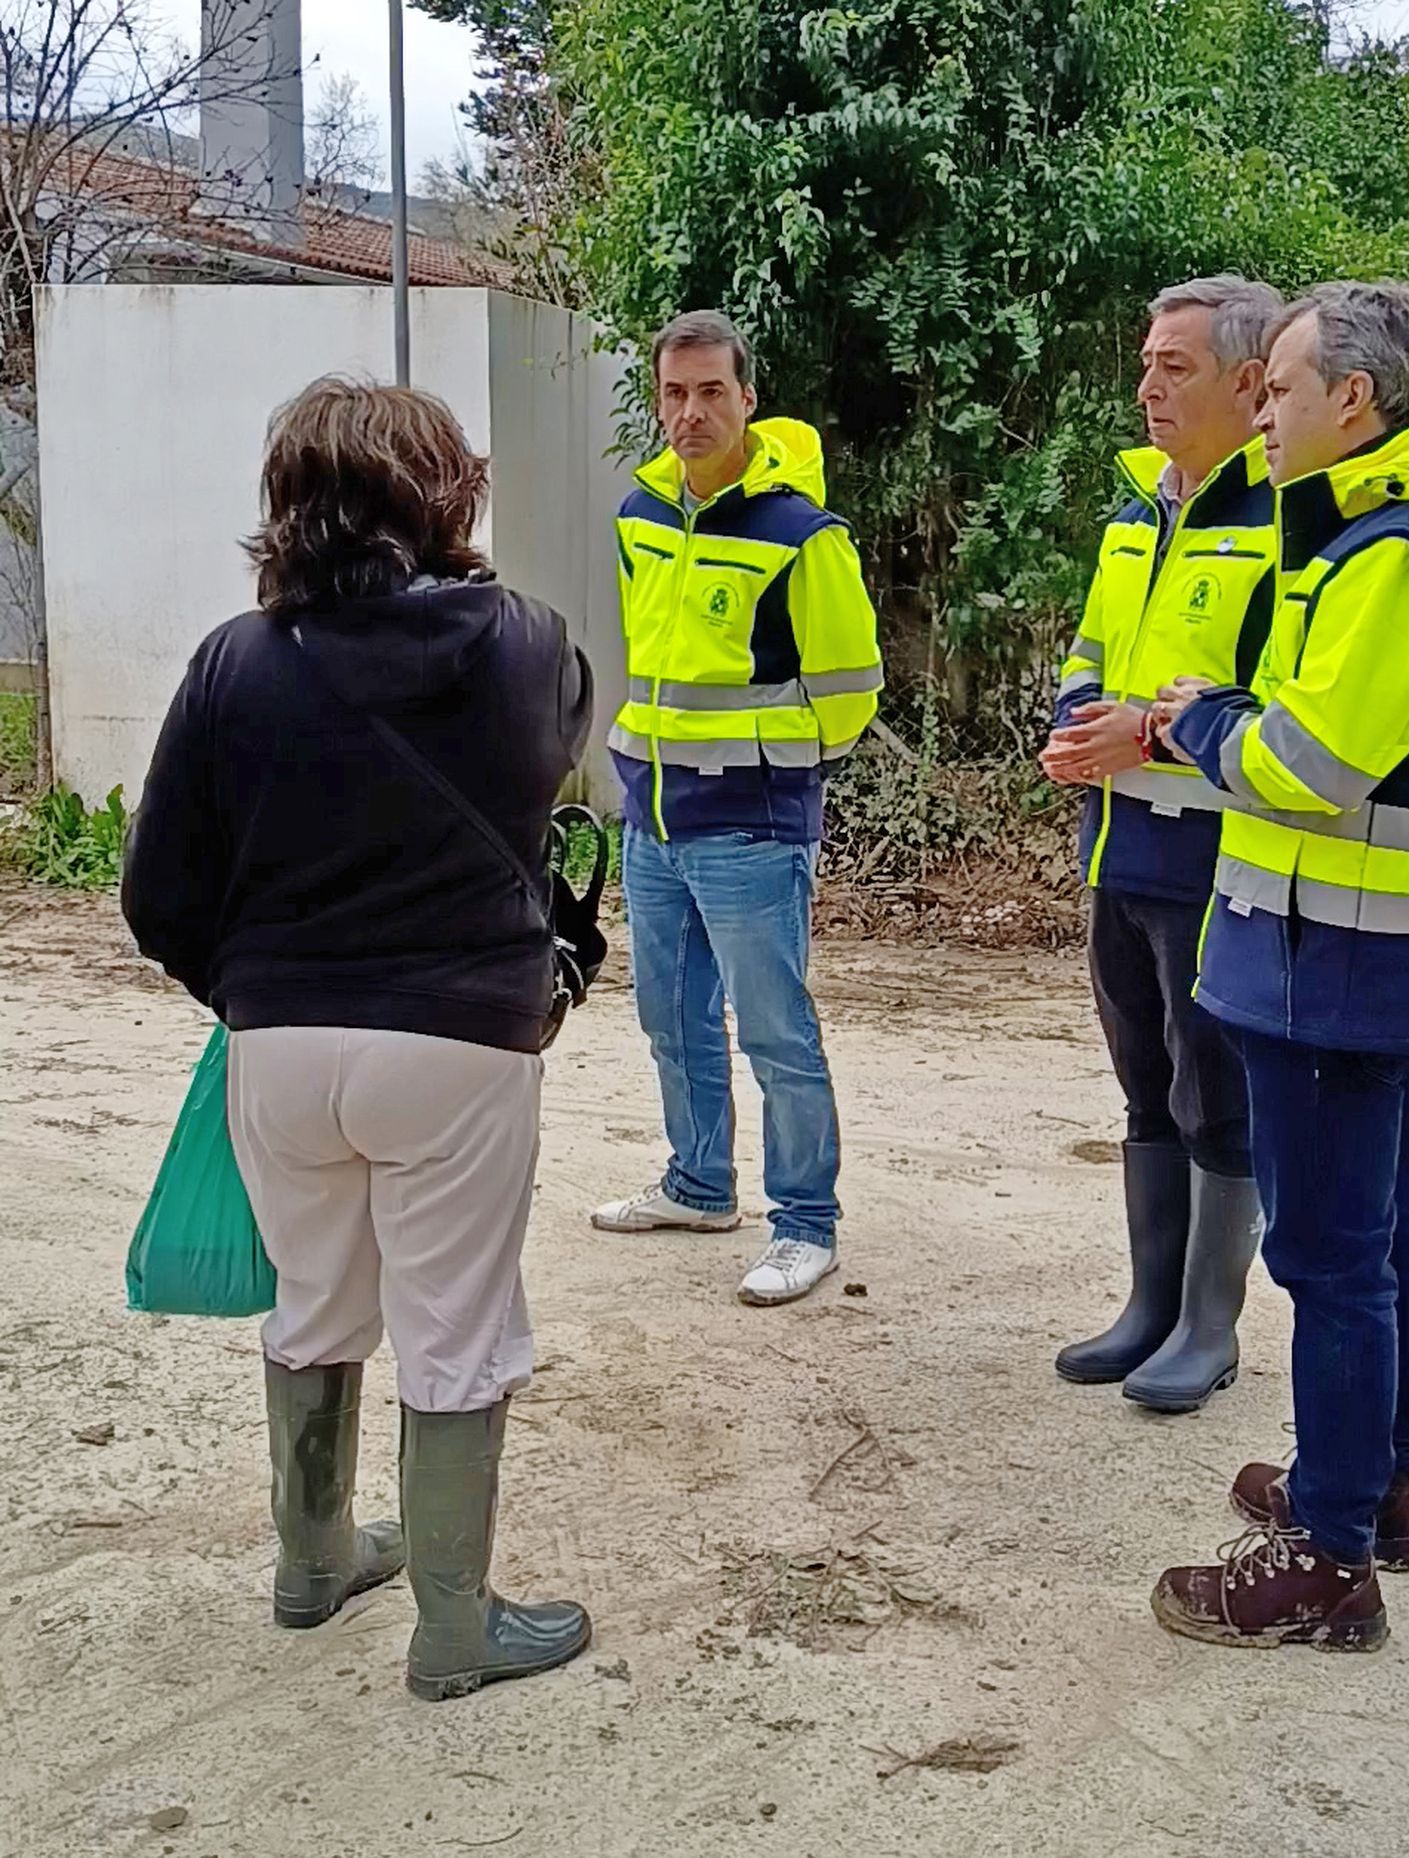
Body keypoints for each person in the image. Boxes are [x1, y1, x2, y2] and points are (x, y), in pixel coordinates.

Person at [122, 377, 597, 1701]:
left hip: (279, 1042)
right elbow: (568, 727)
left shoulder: (231, 661)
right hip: (456, 1046)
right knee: (455, 1324)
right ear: (449, 495)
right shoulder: (521, 640)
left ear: (286, 507)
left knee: (312, 1302)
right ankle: (455, 1624)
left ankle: (315, 1558)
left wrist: (254, 988)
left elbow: (157, 892)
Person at [1151, 282, 1409, 1650]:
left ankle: (1325, 1557)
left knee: (1331, 1255)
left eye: (1282, 387)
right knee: (1383, 1233)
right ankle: (1372, 1492)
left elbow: (1309, 763)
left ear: (1352, 401)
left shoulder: (1391, 559)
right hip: (1360, 953)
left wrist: (1204, 723)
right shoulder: (1392, 540)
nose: (1261, 408)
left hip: (1336, 957)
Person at [591, 311, 882, 1307]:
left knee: (774, 1033)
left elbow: (848, 693)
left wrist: (760, 769)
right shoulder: (637, 514)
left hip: (751, 826)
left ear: (748, 398)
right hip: (655, 815)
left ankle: (806, 1224)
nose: (690, 412)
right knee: (669, 1018)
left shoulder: (802, 535)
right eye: (674, 393)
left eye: (711, 391)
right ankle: (699, 1183)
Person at [1039, 277, 1281, 1413]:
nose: (1146, 387)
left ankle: (1207, 1327)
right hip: (1117, 849)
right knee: (1144, 1083)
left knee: (1211, 1091)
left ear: (1247, 381)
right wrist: (1079, 721)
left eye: (1173, 367)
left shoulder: (1281, 522)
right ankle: (1148, 1307)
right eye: (1144, 362)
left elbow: (1277, 699)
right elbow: (1087, 649)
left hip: (1213, 860)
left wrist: (1146, 731)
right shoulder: (1135, 517)